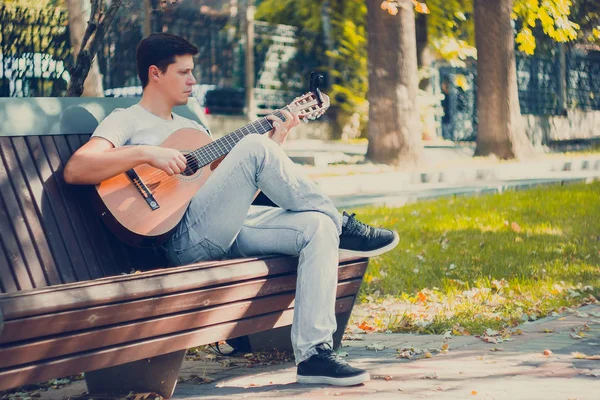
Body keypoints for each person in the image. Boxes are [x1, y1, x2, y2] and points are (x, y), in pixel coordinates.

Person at [64, 33, 399, 387]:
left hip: (224, 229)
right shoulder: (128, 119)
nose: (193, 80)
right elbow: (77, 168)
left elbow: (236, 189)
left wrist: (278, 140)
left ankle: (315, 354)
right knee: (255, 147)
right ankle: (342, 221)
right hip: (179, 240)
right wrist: (148, 154)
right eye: (184, 72)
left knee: (316, 226)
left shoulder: (192, 128)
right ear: (155, 73)